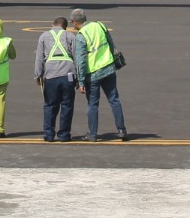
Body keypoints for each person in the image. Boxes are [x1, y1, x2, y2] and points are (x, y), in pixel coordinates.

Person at [73, 8, 128, 142]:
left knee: (93, 104)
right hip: (108, 68)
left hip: (92, 74)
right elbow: (111, 44)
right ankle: (122, 130)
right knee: (114, 99)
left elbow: (81, 60)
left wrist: (80, 82)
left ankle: (92, 134)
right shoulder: (100, 25)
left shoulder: (81, 35)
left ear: (74, 22)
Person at [35, 16, 82, 142]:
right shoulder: (71, 36)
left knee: (50, 105)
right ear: (65, 27)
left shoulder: (44, 36)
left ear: (52, 25)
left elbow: (39, 58)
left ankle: (49, 134)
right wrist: (79, 77)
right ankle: (64, 134)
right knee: (67, 105)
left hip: (51, 75)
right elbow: (77, 57)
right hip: (68, 74)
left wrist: (38, 74)